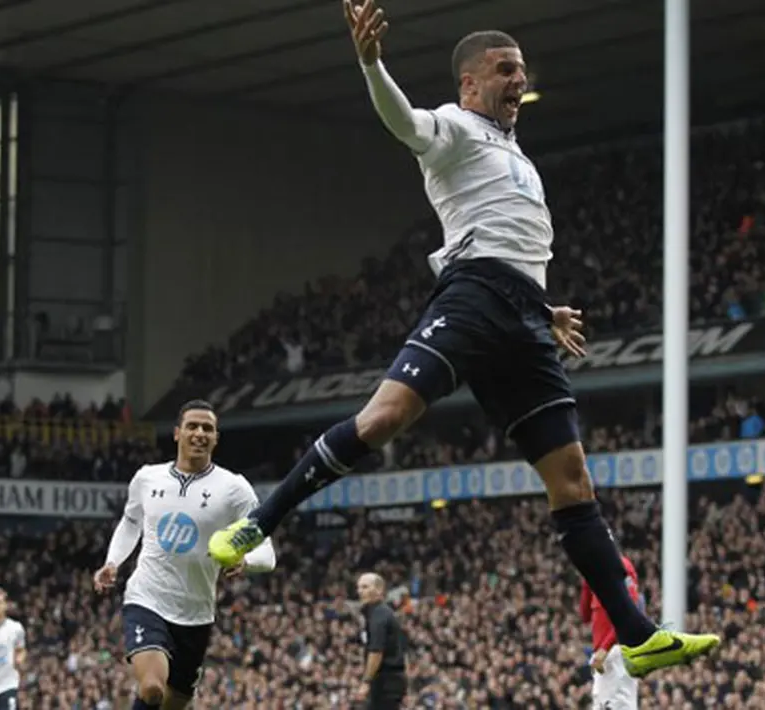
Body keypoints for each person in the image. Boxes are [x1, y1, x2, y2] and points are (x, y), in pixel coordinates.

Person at [209, 0, 719, 678]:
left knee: (570, 479)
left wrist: (544, 307)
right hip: (473, 298)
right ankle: (258, 521)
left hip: (523, 316)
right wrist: (371, 63)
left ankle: (636, 633)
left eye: (523, 70)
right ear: (470, 83)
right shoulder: (451, 127)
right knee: (385, 418)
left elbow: (515, 242)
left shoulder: (517, 156)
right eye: (506, 69)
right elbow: (403, 123)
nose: (519, 79)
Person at [94, 400, 277, 710]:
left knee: (175, 703)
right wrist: (113, 561)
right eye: (192, 426)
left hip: (196, 614)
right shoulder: (147, 478)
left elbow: (267, 551)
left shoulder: (234, 489)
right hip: (147, 598)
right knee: (152, 688)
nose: (199, 433)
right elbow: (131, 522)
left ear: (216, 438)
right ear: (177, 433)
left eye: (207, 428)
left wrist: (247, 562)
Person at [579, 550, 642, 709]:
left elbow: (629, 613)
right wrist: (587, 582)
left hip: (618, 652)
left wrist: (605, 648)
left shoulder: (622, 567)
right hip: (602, 658)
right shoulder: (594, 569)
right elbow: (585, 615)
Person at [355, 572, 407, 709]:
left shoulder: (380, 615)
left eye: (365, 587)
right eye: (359, 587)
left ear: (379, 589)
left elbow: (376, 651)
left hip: (386, 680)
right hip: (386, 680)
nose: (360, 591)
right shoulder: (373, 614)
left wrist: (366, 681)